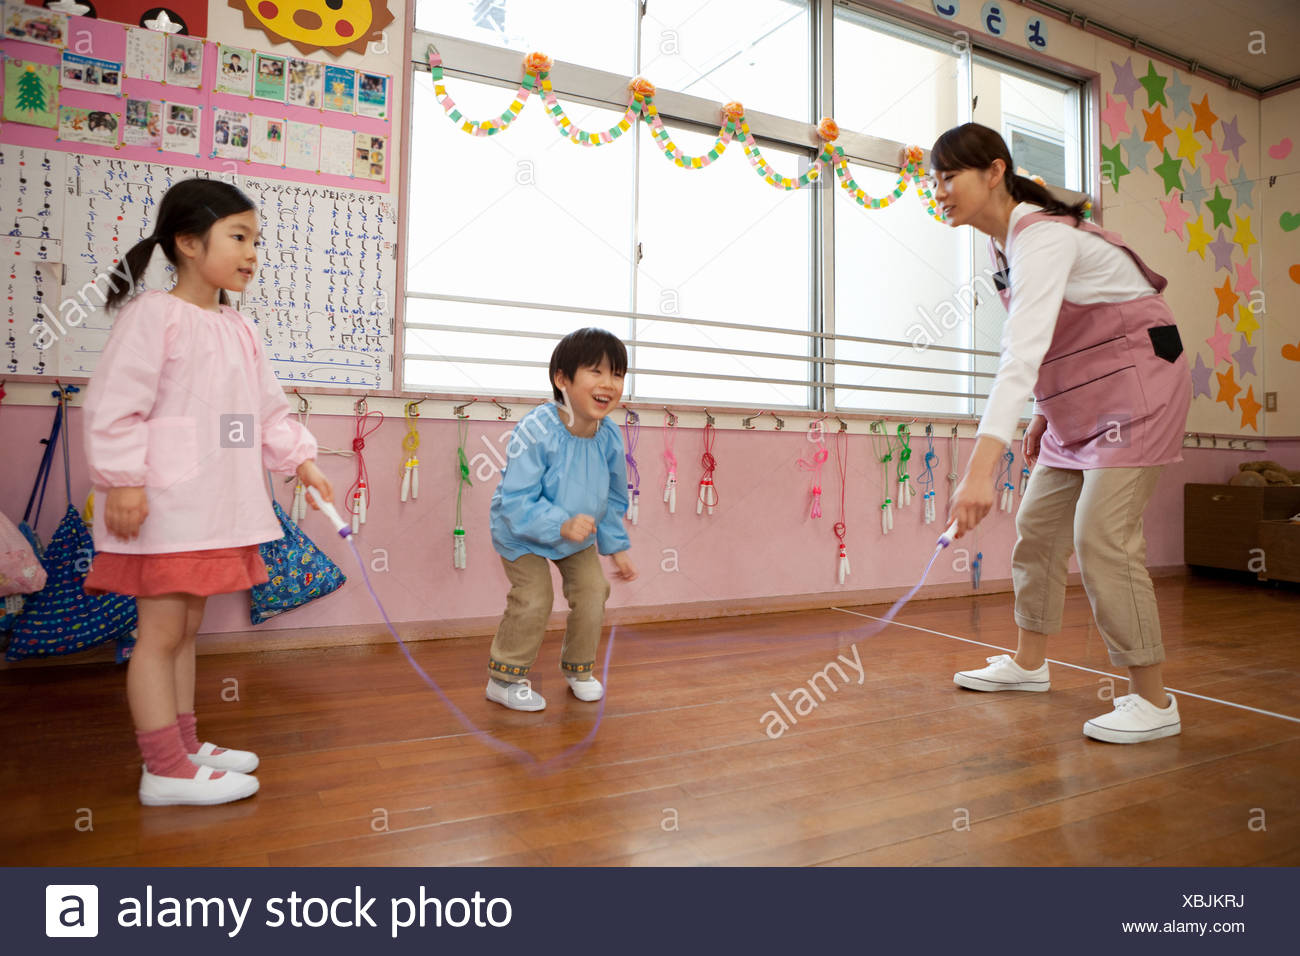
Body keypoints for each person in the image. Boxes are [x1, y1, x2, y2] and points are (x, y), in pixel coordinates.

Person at [934, 123, 1191, 744]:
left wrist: (978, 471)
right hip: (1078, 404)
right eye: (933, 181)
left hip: (1140, 390)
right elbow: (1057, 342)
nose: (938, 191)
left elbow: (1019, 354)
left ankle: (1152, 699)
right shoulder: (1002, 249)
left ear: (994, 171)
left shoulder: (1043, 237)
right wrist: (1045, 411)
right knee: (1040, 527)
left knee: (1100, 534)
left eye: (948, 177)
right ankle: (1028, 664)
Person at [83, 179, 334, 805]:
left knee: (187, 631)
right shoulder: (153, 316)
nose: (253, 253)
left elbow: (265, 412)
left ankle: (185, 744)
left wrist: (300, 460)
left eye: (257, 240)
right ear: (189, 242)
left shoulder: (238, 328)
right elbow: (116, 408)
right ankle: (162, 768)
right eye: (239, 237)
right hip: (162, 510)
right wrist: (124, 481)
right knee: (160, 635)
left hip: (211, 510)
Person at [486, 328, 638, 711]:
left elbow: (612, 498)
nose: (608, 384)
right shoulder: (537, 430)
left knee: (592, 592)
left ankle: (578, 669)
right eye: (596, 372)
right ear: (562, 379)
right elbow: (516, 500)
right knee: (534, 598)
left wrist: (616, 546)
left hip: (576, 536)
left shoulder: (610, 437)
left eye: (617, 374)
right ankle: (505, 679)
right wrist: (560, 523)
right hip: (520, 533)